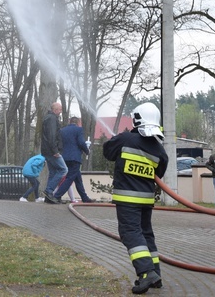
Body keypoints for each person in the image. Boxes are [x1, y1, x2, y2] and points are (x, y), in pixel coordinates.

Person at [103, 102, 168, 294]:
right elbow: (160, 172)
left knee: (131, 233)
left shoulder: (125, 139)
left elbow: (108, 152)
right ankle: (156, 273)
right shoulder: (159, 149)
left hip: (127, 199)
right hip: (146, 200)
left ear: (137, 118)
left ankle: (147, 273)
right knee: (146, 234)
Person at [50, 117, 94, 204]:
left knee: (78, 178)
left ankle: (84, 197)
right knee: (69, 178)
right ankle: (56, 196)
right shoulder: (78, 129)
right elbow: (81, 142)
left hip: (64, 157)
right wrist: (87, 150)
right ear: (78, 122)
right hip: (75, 158)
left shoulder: (62, 131)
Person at [41, 102, 68, 203]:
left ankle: (48, 197)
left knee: (52, 172)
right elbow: (51, 135)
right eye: (60, 110)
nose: (61, 112)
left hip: (47, 150)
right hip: (52, 151)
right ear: (55, 110)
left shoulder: (48, 118)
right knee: (63, 170)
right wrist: (55, 150)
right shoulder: (52, 119)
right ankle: (49, 191)